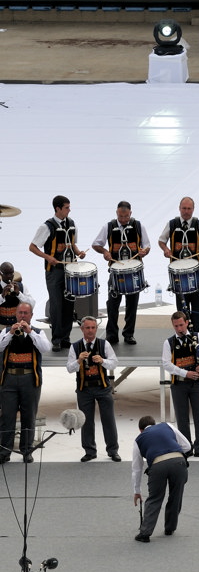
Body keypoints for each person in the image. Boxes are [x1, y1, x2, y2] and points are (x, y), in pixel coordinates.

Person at [28, 195, 87, 351]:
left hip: (70, 270)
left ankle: (66, 338)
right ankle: (56, 339)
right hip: (54, 271)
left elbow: (72, 244)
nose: (69, 210)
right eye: (66, 207)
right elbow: (32, 247)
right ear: (58, 208)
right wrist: (48, 257)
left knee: (69, 304)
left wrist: (79, 252)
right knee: (56, 304)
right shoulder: (47, 226)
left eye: (69, 207)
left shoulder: (72, 224)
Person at [92, 200, 151, 345]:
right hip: (115, 272)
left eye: (125, 217)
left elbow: (147, 245)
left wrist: (144, 251)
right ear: (117, 213)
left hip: (134, 272)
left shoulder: (138, 226)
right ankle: (111, 334)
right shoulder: (109, 226)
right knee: (112, 304)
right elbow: (96, 244)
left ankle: (129, 334)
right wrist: (105, 251)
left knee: (132, 304)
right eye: (120, 216)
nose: (123, 220)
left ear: (130, 213)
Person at [0, 302, 52, 464]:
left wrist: (30, 333)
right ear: (16, 314)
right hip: (9, 379)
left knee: (29, 416)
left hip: (30, 379)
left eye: (26, 313)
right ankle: (4, 451)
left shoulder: (37, 332)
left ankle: (27, 450)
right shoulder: (6, 331)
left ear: (30, 315)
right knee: (7, 416)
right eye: (20, 313)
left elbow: (45, 348)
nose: (22, 316)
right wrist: (10, 334)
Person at [161, 311, 199, 458]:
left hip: (196, 383)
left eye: (181, 325)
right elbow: (166, 364)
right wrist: (185, 373)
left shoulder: (198, 337)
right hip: (178, 384)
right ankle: (186, 448)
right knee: (182, 418)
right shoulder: (169, 342)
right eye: (176, 326)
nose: (179, 328)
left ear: (187, 323)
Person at [66, 315, 120, 462]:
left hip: (102, 387)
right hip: (84, 389)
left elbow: (114, 363)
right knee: (86, 421)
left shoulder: (104, 344)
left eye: (93, 328)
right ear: (82, 329)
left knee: (108, 419)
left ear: (96, 328)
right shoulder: (75, 346)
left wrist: (102, 361)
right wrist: (78, 360)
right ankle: (89, 451)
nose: (90, 331)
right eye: (88, 328)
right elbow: (69, 369)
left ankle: (113, 450)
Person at [131, 416, 190, 542]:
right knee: (176, 496)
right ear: (154, 424)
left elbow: (137, 468)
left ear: (140, 430)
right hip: (179, 462)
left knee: (155, 498)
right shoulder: (167, 425)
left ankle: (145, 533)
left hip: (157, 466)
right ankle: (170, 528)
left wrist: (137, 491)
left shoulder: (139, 439)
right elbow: (187, 446)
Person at [158, 196, 199, 333]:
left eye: (189, 209)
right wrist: (166, 250)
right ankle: (183, 333)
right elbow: (161, 241)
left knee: (197, 306)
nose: (186, 211)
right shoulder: (172, 224)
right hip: (178, 273)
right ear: (179, 209)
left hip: (196, 272)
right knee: (182, 306)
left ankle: (197, 333)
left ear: (193, 209)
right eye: (184, 208)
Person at [0, 262, 34, 329]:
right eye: (6, 274)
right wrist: (2, 296)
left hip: (18, 325)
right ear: (0, 273)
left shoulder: (21, 286)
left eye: (11, 273)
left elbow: (32, 304)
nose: (9, 276)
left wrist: (19, 294)